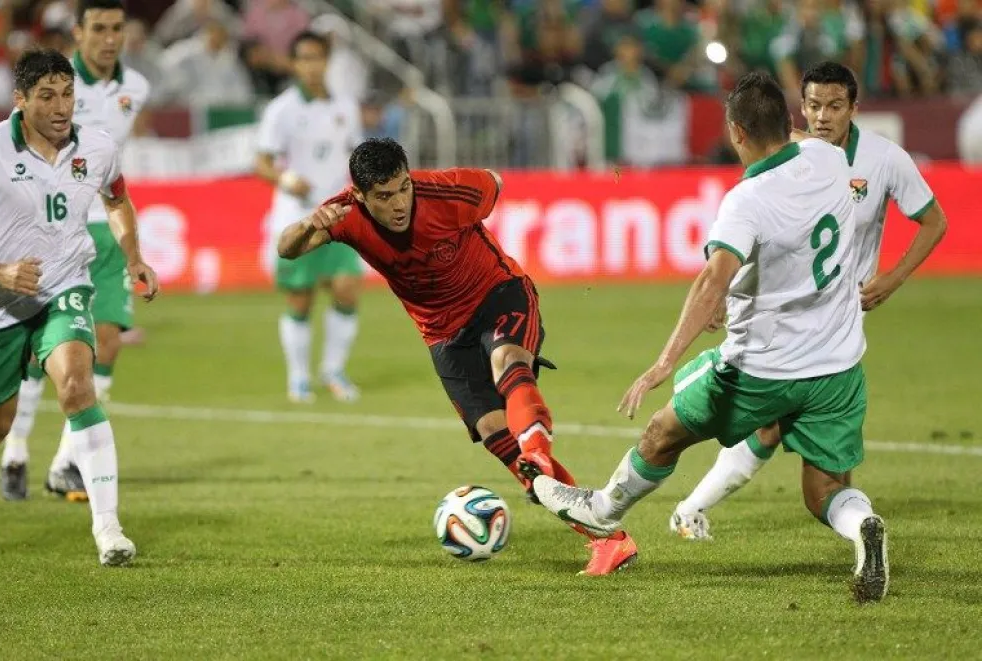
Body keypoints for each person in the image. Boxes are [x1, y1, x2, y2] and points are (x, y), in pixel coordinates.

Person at [530, 72, 890, 602]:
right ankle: (863, 528)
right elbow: (794, 155)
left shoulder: (745, 201)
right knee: (826, 492)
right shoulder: (830, 159)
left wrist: (661, 363)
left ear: (736, 134)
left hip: (762, 372)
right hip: (838, 368)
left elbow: (711, 278)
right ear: (790, 122)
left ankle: (603, 512)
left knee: (662, 431)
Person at [276, 137, 638, 576]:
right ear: (361, 196)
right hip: (442, 332)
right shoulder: (344, 215)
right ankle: (609, 540)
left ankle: (538, 449)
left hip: (497, 294)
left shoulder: (445, 192)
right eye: (384, 197)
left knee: (508, 361)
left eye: (403, 188)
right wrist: (310, 222)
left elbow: (495, 183)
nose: (398, 203)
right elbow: (287, 247)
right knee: (492, 429)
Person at [670, 61, 947, 543]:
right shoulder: (793, 155)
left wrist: (894, 278)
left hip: (837, 317)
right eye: (814, 105)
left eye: (835, 106)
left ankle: (693, 508)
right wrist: (722, 297)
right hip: (786, 318)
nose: (823, 116)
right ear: (801, 108)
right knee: (778, 426)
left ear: (854, 109)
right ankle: (852, 526)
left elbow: (934, 221)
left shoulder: (883, 159)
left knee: (780, 425)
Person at [0, 49, 158, 564]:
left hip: (65, 287)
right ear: (20, 100)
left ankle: (108, 529)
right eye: (47, 96)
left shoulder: (99, 147)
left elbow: (116, 197)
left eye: (68, 94)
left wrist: (133, 256)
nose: (62, 107)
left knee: (77, 384)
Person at [256, 31, 363, 404]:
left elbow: (355, 155)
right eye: (304, 58)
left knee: (347, 288)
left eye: (318, 57)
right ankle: (299, 377)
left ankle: (333, 371)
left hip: (338, 215)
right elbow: (262, 162)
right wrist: (286, 178)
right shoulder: (281, 110)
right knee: (301, 300)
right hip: (298, 216)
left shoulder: (346, 107)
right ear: (295, 63)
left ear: (326, 61)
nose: (312, 65)